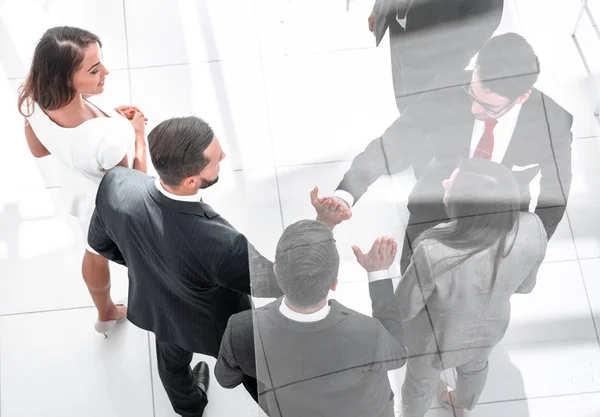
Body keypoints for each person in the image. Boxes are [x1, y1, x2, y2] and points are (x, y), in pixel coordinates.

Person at [313, 33, 572, 274]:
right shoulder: (448, 87)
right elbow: (394, 141)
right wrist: (345, 195)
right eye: (472, 93)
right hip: (435, 205)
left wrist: (529, 245)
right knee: (413, 275)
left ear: (521, 97)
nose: (473, 109)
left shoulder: (553, 124)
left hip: (500, 221)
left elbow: (555, 194)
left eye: (487, 107)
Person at [87, 116, 287, 417]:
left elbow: (101, 244)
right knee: (257, 374)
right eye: (215, 159)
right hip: (220, 328)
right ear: (191, 181)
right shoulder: (222, 243)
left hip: (158, 310)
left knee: (171, 360)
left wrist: (151, 265)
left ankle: (189, 408)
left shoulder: (116, 185)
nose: (223, 157)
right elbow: (276, 285)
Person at [353, 158, 548, 417]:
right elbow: (525, 286)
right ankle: (462, 402)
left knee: (420, 385)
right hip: (489, 331)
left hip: (432, 343)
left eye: (451, 183)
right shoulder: (533, 227)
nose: (445, 182)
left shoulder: (433, 250)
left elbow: (404, 309)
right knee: (476, 369)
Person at [18, 26, 148, 335]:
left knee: (93, 251)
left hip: (77, 188)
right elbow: (133, 189)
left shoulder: (33, 98)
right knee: (99, 251)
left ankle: (105, 312)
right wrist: (139, 135)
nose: (106, 71)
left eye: (100, 62)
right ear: (64, 78)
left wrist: (102, 119)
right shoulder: (109, 138)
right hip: (104, 205)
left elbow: (38, 150)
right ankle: (108, 311)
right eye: (93, 70)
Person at [214, 219, 408, 417]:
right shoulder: (368, 332)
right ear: (334, 284)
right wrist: (378, 273)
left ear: (276, 272)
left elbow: (226, 380)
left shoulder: (241, 331)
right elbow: (398, 356)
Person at [370, 0, 504, 112]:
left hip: (437, 52)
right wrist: (379, 9)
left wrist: (451, 52)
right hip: (398, 30)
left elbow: (487, 19)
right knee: (405, 98)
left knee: (429, 111)